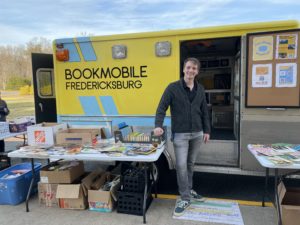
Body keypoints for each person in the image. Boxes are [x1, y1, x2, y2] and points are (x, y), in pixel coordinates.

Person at [154, 57, 210, 216]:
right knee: (181, 165)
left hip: (198, 133)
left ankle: (188, 189)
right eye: (188, 67)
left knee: (190, 163)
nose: (191, 70)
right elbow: (161, 108)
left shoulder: (200, 89)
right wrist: (158, 125)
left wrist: (207, 130)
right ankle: (185, 197)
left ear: (197, 71)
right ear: (183, 69)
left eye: (194, 68)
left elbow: (204, 111)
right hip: (181, 134)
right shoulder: (172, 88)